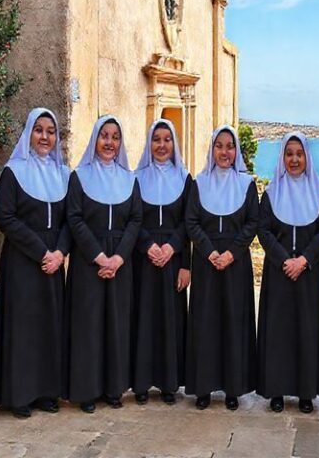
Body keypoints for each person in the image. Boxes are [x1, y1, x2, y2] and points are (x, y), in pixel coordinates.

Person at [0, 108, 70, 418]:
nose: (45, 137)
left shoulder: (63, 173)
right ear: (29, 133)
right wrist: (42, 252)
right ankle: (19, 394)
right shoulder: (14, 171)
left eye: (51, 131)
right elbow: (6, 218)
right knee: (23, 327)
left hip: (54, 261)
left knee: (50, 325)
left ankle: (46, 392)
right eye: (39, 130)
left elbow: (69, 220)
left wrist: (60, 252)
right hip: (24, 260)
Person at [63, 115, 142, 412]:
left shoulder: (129, 178)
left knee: (117, 325)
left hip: (120, 262)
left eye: (115, 137)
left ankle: (113, 388)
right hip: (88, 261)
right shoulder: (79, 176)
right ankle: (86, 390)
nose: (109, 143)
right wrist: (99, 257)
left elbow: (136, 218)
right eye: (104, 136)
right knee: (89, 325)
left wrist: (119, 257)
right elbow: (74, 217)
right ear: (95, 139)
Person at [256, 132, 319, 414]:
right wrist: (283, 259)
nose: (294, 159)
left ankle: (306, 392)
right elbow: (263, 230)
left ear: (307, 158)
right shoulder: (272, 193)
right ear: (282, 158)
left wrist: (304, 259)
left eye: (299, 154)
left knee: (306, 330)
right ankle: (276, 390)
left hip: (308, 273)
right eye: (289, 154)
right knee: (279, 332)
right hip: (278, 273)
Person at [185, 125, 258, 411]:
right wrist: (209, 250)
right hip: (206, 263)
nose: (225, 152)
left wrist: (231, 252)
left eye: (230, 147)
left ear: (236, 151)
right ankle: (203, 388)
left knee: (232, 323)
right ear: (212, 149)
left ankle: (232, 388)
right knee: (205, 324)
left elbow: (253, 222)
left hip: (235, 263)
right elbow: (191, 221)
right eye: (219, 146)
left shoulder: (246, 184)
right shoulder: (199, 183)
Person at [132, 119, 192, 405]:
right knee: (143, 319)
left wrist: (180, 257)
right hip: (144, 258)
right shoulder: (136, 178)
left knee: (171, 321)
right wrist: (148, 245)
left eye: (167, 139)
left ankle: (169, 384)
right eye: (156, 139)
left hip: (173, 257)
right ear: (149, 143)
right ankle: (141, 383)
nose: (161, 145)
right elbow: (132, 219)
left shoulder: (185, 178)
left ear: (174, 144)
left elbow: (188, 222)